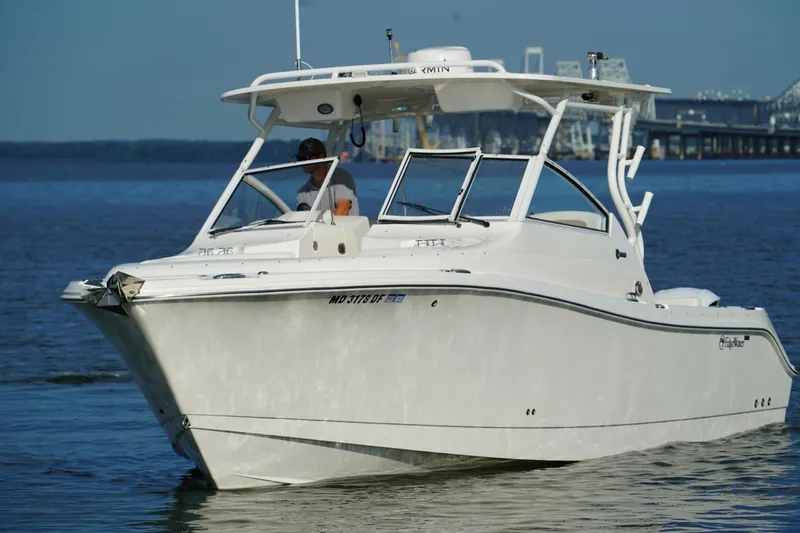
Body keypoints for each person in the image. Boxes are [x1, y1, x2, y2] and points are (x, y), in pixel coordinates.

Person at [295, 138, 359, 216]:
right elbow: (303, 219)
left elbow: (343, 211)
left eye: (306, 158)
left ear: (321, 157)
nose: (302, 162)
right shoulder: (302, 192)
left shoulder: (342, 178)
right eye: (299, 158)